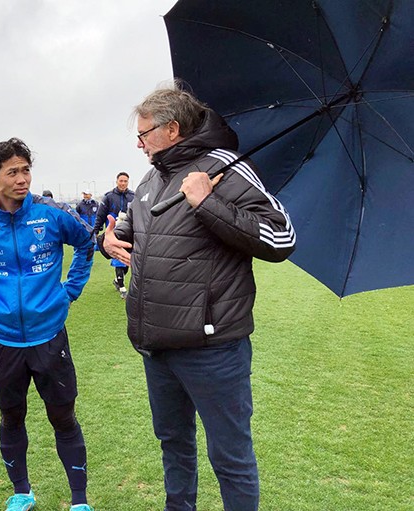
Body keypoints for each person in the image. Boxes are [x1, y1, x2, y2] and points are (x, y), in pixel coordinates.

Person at [101, 84, 296, 511]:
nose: (138, 144)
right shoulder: (152, 178)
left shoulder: (225, 167)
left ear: (172, 129)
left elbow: (281, 238)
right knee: (174, 445)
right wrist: (108, 241)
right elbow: (130, 231)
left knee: (230, 457)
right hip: (157, 346)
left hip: (213, 349)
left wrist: (207, 202)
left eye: (144, 134)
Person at [0, 138, 95, 511]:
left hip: (49, 336)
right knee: (11, 417)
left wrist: (70, 291)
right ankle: (22, 492)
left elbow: (87, 242)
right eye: (12, 172)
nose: (22, 179)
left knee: (63, 417)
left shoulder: (52, 213)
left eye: (26, 170)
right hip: (2, 340)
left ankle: (79, 500)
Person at [93, 172, 134, 298]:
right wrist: (96, 231)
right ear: (116, 181)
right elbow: (100, 215)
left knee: (127, 261)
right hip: (114, 234)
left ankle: (117, 281)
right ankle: (122, 288)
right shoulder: (109, 197)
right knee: (118, 260)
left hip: (129, 233)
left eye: (125, 181)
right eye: (121, 181)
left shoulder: (133, 196)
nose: (123, 183)